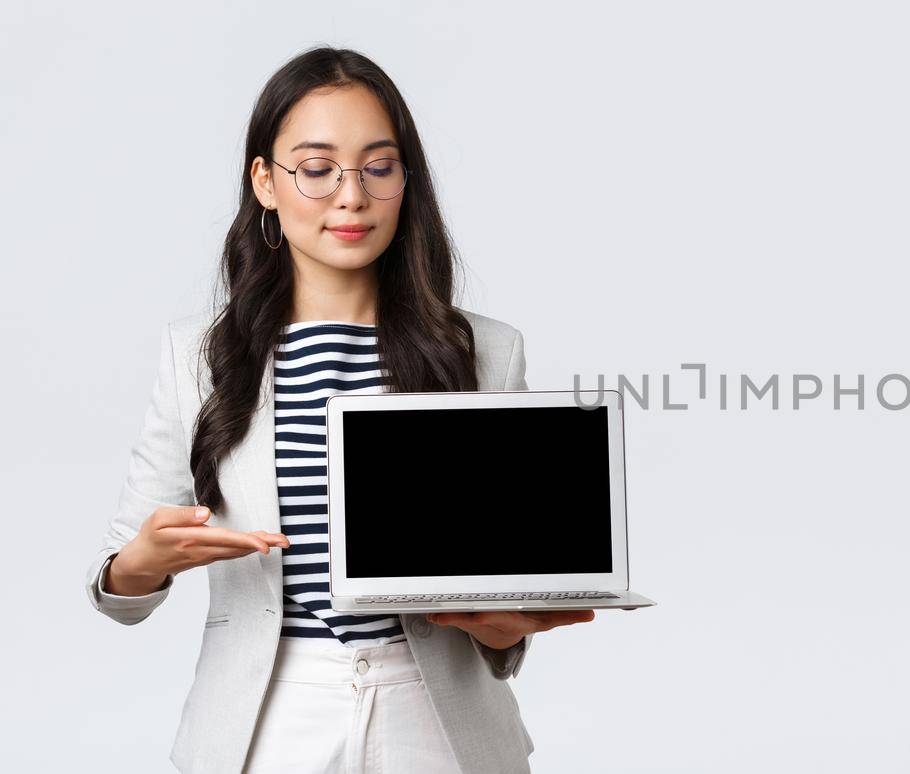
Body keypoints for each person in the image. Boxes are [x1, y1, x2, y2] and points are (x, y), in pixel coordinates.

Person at [83, 46, 592, 773]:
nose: (350, 196)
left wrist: (508, 631)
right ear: (266, 181)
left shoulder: (486, 350)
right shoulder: (197, 355)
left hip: (437, 719)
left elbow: (498, 583)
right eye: (316, 169)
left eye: (377, 167)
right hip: (268, 717)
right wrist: (145, 562)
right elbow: (116, 590)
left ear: (404, 180)